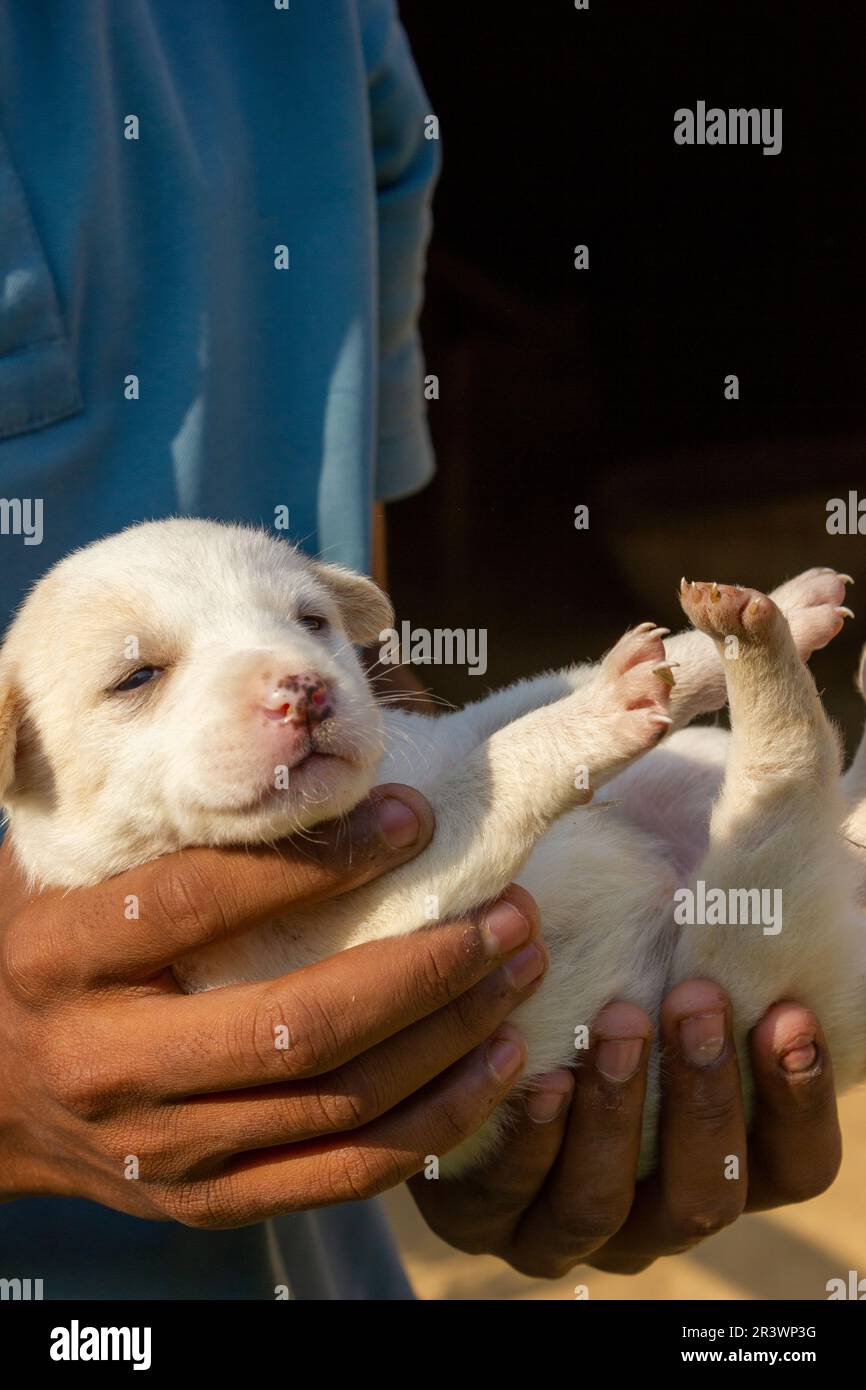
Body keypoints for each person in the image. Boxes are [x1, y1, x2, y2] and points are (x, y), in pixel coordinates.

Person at [0, 0, 842, 1300]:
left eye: (302, 625)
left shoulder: (325, 32)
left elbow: (394, 686)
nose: (289, 676)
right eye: (137, 674)